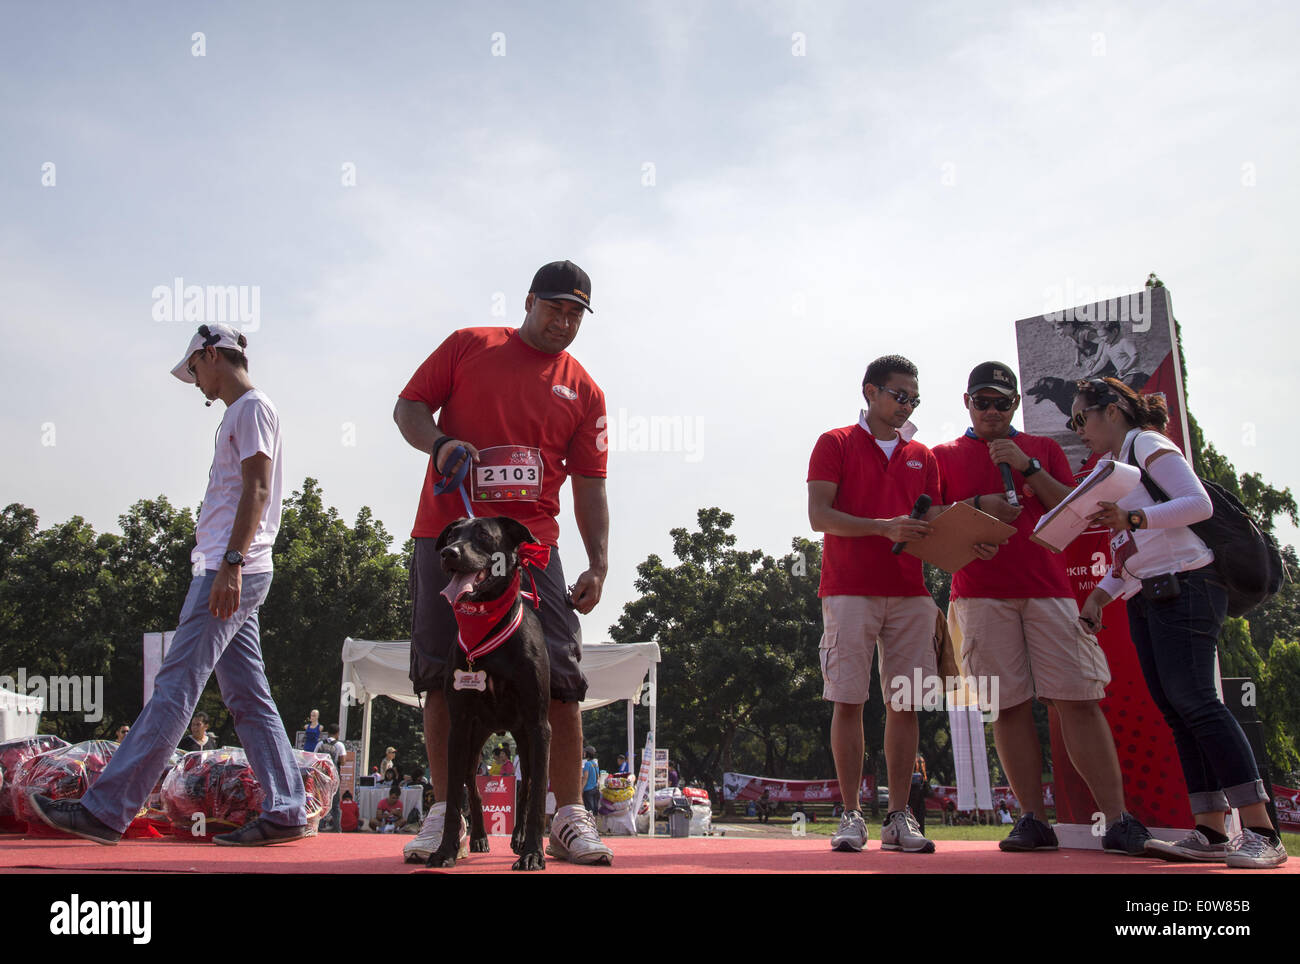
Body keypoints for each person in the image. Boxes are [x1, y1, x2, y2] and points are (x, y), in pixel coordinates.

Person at [28, 323, 307, 846]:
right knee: (248, 696)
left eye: (195, 370)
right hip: (238, 568)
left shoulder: (249, 409)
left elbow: (258, 488)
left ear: (210, 355)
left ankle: (105, 810)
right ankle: (288, 808)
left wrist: (229, 564)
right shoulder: (244, 411)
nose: (196, 382)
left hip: (229, 572)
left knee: (175, 688)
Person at [393, 260, 612, 866]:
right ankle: (444, 817)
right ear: (528, 302)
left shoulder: (585, 390)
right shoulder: (469, 347)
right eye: (554, 308)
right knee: (440, 676)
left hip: (533, 550)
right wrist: (439, 444)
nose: (563, 322)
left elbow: (591, 486)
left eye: (575, 314)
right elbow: (408, 408)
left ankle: (568, 817)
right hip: (448, 537)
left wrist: (597, 563)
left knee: (561, 681)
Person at [932, 362, 1150, 856]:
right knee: (1006, 706)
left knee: (1077, 698)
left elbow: (1074, 513)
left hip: (1049, 591)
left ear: (1014, 406)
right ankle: (1032, 818)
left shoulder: (1042, 449)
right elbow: (930, 522)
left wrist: (1027, 467)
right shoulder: (941, 455)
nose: (991, 410)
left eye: (1001, 402)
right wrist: (978, 511)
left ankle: (1117, 820)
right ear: (966, 403)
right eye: (982, 401)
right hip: (979, 593)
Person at [1074, 377, 1286, 869]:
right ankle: (1211, 831)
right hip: (1150, 594)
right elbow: (1130, 553)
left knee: (1198, 702)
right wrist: (1100, 596)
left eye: (1082, 417)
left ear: (1112, 411)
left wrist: (1132, 520)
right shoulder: (1114, 468)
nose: (1079, 429)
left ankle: (1260, 830)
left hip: (1188, 586)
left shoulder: (1145, 442)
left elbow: (1198, 504)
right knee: (1177, 709)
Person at [807, 354, 979, 854]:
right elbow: (820, 516)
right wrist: (884, 527)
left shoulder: (922, 455)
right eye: (898, 395)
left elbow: (933, 521)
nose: (906, 405)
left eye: (914, 398)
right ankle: (850, 815)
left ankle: (900, 817)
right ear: (870, 392)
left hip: (911, 593)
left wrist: (972, 535)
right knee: (848, 699)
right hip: (848, 589)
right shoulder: (834, 442)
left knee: (906, 704)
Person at [316, 724, 348, 832]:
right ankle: (337, 828)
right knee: (335, 803)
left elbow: (314, 757)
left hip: (321, 776)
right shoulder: (339, 745)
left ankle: (318, 826)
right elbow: (343, 761)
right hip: (333, 777)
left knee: (320, 801)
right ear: (338, 733)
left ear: (327, 733)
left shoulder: (320, 743)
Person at [908, 755, 928, 835]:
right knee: (919, 816)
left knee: (913, 815)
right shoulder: (921, 776)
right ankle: (920, 833)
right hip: (919, 795)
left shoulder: (908, 775)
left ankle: (913, 833)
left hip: (912, 795)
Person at [581, 746, 601, 814]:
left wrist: (581, 789)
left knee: (589, 811)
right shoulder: (595, 764)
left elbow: (585, 778)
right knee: (595, 811)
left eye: (585, 752)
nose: (584, 753)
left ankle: (589, 824)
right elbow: (598, 777)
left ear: (588, 753)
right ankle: (594, 824)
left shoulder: (587, 764)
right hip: (595, 789)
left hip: (588, 790)